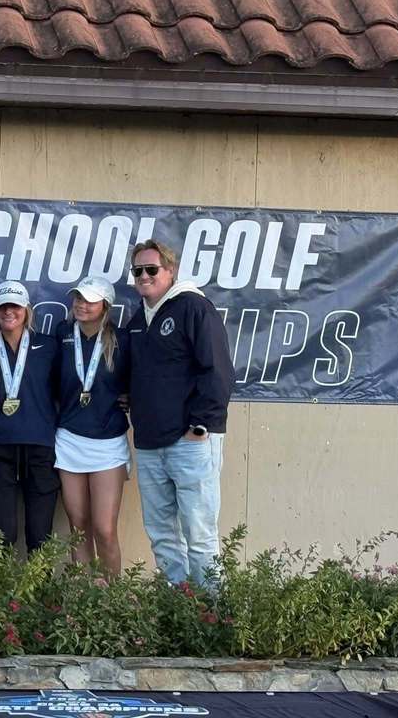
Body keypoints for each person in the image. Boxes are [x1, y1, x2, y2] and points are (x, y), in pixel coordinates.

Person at [126, 239, 234, 585]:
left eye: (151, 269)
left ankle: (213, 618)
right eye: (138, 270)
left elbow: (217, 371)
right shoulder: (137, 320)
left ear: (170, 271)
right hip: (149, 444)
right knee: (161, 535)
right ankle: (181, 610)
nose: (144, 276)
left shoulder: (194, 308)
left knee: (199, 535)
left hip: (190, 443)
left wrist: (199, 426)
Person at [54, 277, 131, 574]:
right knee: (78, 527)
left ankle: (112, 602)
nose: (81, 305)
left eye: (90, 300)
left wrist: (132, 396)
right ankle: (83, 603)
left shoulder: (122, 339)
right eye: (78, 299)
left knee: (104, 529)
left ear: (105, 306)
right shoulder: (62, 334)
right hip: (69, 439)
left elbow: (145, 379)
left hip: (108, 442)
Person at [0, 281, 60, 552]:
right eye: (3, 307)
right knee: (2, 533)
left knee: (40, 534)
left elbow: (71, 385)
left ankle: (41, 594)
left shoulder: (50, 347)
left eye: (15, 306)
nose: (9, 312)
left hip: (40, 447)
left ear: (26, 310)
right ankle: (1, 594)